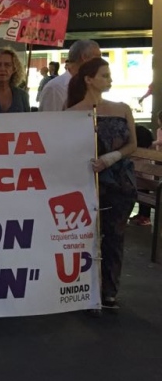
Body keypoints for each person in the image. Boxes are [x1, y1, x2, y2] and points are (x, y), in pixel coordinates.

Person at [66, 57, 137, 310]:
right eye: (104, 75)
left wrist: (112, 157)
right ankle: (86, 288)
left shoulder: (122, 108)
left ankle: (109, 290)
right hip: (86, 181)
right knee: (86, 235)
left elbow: (132, 144)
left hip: (120, 181)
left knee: (114, 235)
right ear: (89, 79)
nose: (109, 79)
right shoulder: (71, 114)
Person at [38, 40, 101, 111]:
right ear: (84, 57)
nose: (101, 62)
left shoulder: (90, 85)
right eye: (98, 57)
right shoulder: (55, 88)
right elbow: (50, 117)